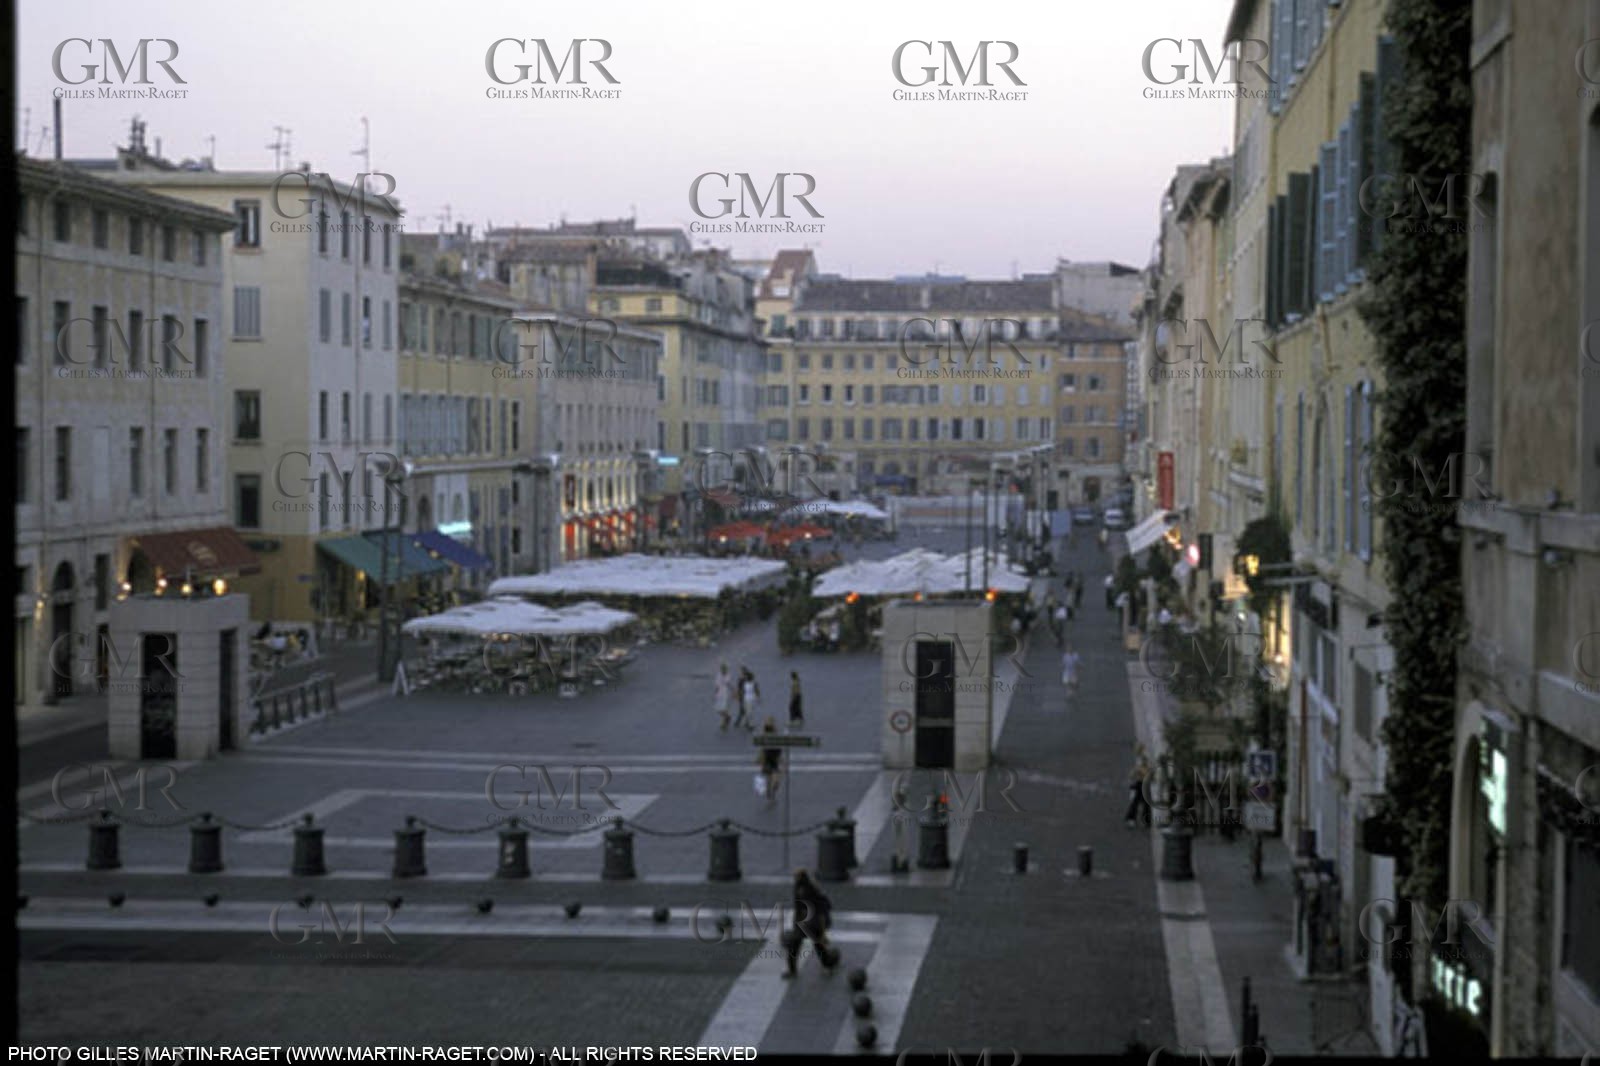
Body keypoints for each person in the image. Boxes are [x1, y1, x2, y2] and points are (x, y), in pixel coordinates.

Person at [782, 868, 837, 978]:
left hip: (812, 923)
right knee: (796, 946)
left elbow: (822, 910)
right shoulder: (799, 888)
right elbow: (798, 908)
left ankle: (828, 965)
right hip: (803, 923)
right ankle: (793, 970)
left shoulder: (811, 892)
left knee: (818, 946)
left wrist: (822, 932)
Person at [756, 718, 783, 804]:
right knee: (771, 779)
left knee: (774, 781)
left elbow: (779, 749)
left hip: (774, 760)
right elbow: (762, 750)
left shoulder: (775, 736)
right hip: (769, 760)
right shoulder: (766, 738)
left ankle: (770, 793)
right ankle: (771, 795)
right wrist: (761, 759)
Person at [1124, 748, 1153, 827]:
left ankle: (1145, 820)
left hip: (1143, 785)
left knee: (1141, 803)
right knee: (1138, 803)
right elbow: (1132, 775)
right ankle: (1143, 820)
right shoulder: (1142, 768)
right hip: (1141, 785)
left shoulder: (1145, 768)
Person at [736, 667, 761, 731]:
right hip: (749, 699)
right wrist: (758, 698)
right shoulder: (750, 683)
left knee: (748, 711)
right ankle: (749, 724)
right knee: (749, 711)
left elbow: (742, 691)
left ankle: (748, 723)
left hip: (747, 699)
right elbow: (757, 691)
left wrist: (739, 696)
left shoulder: (747, 683)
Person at [714, 663, 735, 732]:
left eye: (724, 669)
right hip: (719, 693)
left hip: (725, 694)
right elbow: (717, 685)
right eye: (722, 669)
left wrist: (733, 691)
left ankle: (724, 722)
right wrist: (715, 693)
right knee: (718, 709)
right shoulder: (718, 675)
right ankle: (727, 717)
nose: (723, 670)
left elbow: (728, 684)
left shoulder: (728, 675)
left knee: (723, 708)